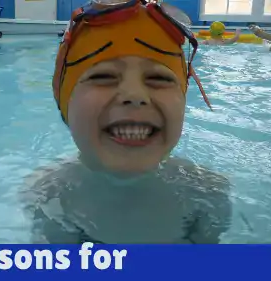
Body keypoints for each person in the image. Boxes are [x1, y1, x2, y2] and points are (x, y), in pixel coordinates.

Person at [24, 0, 232, 244]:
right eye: (103, 76)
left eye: (158, 77)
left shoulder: (208, 193)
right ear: (65, 103)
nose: (135, 95)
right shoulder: (48, 195)